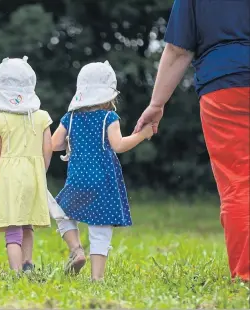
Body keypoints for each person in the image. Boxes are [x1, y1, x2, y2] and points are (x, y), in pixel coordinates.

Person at [134, 0, 249, 281]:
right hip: (225, 80)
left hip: (224, 85)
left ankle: (246, 274)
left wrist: (157, 103)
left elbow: (177, 50)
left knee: (239, 182)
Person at [52, 61, 154, 281]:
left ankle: (76, 250)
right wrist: (142, 135)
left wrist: (72, 142)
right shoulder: (109, 118)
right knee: (100, 229)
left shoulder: (70, 118)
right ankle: (96, 279)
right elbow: (118, 145)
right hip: (103, 181)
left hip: (78, 179)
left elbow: (54, 144)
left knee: (61, 213)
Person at [0, 56, 53, 272]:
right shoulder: (42, 117)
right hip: (33, 175)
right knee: (27, 223)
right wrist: (41, 170)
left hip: (7, 176)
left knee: (12, 227)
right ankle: (28, 263)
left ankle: (15, 272)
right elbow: (48, 148)